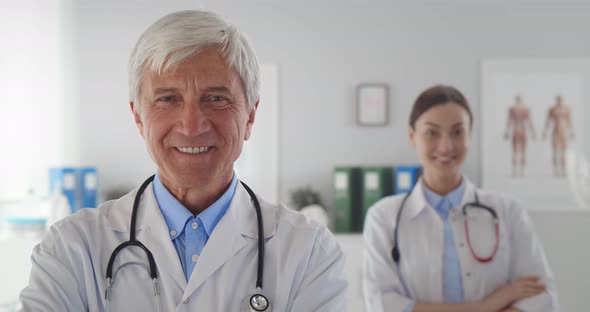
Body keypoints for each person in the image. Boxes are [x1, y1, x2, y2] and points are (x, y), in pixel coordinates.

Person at [19, 10, 347, 311]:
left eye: (216, 98)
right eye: (168, 99)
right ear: (138, 117)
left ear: (249, 116)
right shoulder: (71, 248)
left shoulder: (308, 251)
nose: (191, 126)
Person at [362, 85, 558, 312]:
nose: (446, 146)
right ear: (412, 136)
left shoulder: (509, 210)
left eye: (457, 132)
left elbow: (542, 298)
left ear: (470, 135)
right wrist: (488, 305)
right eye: (432, 132)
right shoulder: (384, 217)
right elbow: (381, 305)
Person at [542, 94, 575, 177]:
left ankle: (564, 170)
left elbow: (569, 121)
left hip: (563, 132)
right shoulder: (552, 109)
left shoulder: (566, 109)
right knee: (555, 151)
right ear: (556, 100)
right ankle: (556, 170)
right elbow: (548, 121)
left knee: (563, 152)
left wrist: (572, 132)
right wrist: (545, 132)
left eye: (561, 99)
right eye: (558, 99)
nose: (559, 101)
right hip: (555, 132)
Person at [504, 95, 536, 177]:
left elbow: (529, 121)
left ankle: (521, 170)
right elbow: (509, 121)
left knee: (522, 151)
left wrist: (532, 132)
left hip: (521, 130)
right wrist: (507, 132)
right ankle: (516, 170)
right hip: (518, 131)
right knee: (516, 151)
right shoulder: (514, 109)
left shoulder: (524, 109)